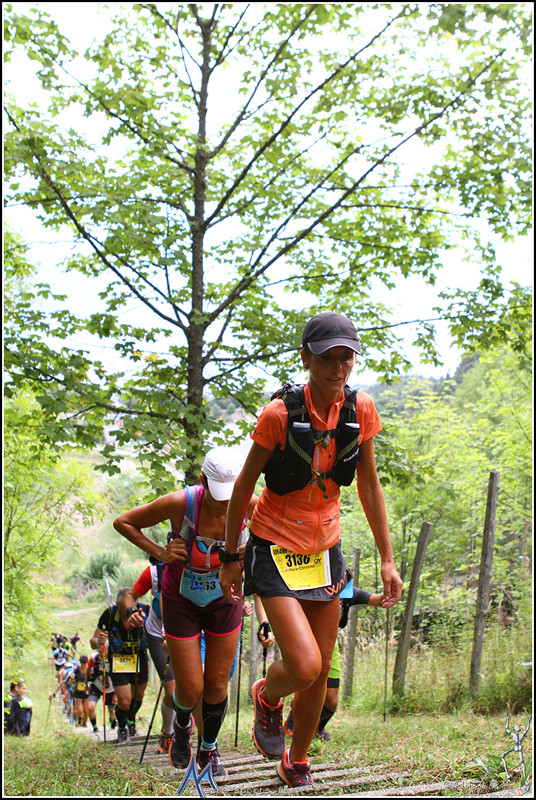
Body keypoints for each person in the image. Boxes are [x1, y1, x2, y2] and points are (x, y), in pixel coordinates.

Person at [219, 311, 403, 788]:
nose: (337, 367)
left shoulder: (360, 410)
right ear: (306, 358)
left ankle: (296, 759)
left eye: (346, 357)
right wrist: (230, 556)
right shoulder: (279, 415)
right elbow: (243, 487)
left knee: (321, 666)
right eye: (326, 358)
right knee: (304, 665)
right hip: (274, 547)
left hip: (325, 550)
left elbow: (370, 486)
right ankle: (267, 695)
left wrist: (387, 559)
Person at [113, 445, 257, 777]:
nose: (225, 502)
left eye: (231, 494)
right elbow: (124, 522)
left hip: (225, 600)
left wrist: (250, 548)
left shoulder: (252, 503)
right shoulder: (181, 503)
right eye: (218, 494)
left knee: (217, 684)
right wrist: (159, 552)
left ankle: (209, 749)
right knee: (190, 688)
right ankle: (181, 724)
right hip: (181, 601)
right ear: (203, 481)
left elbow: (278, 534)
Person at [284, 584, 383, 741]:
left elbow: (378, 600)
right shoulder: (309, 587)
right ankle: (292, 724)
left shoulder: (347, 592)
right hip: (305, 644)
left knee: (331, 701)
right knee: (306, 685)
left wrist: (391, 591)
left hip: (330, 646)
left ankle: (317, 729)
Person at [123, 559, 177, 755]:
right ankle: (169, 732)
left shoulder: (205, 568)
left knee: (196, 687)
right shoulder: (155, 573)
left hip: (191, 632)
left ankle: (186, 729)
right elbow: (130, 595)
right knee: (172, 690)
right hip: (158, 633)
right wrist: (131, 612)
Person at [90, 588, 151, 743]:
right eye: (123, 610)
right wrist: (98, 641)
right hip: (119, 660)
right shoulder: (110, 614)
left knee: (138, 697)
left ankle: (130, 720)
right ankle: (122, 727)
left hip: (139, 658)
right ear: (117, 604)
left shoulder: (145, 610)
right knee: (124, 701)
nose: (126, 614)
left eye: (129, 609)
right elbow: (93, 642)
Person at [86, 648, 117, 733]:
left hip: (110, 687)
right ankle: (95, 727)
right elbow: (88, 669)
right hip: (96, 685)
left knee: (111, 710)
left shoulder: (113, 658)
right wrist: (86, 684)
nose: (102, 655)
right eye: (100, 653)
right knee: (91, 706)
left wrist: (116, 693)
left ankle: (113, 724)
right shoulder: (94, 658)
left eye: (104, 653)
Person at [71, 654, 89, 726]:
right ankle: (79, 718)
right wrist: (72, 677)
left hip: (86, 692)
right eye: (82, 664)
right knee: (80, 711)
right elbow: (72, 678)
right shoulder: (76, 669)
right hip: (78, 692)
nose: (84, 666)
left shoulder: (89, 669)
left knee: (86, 711)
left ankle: (84, 723)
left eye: (85, 664)